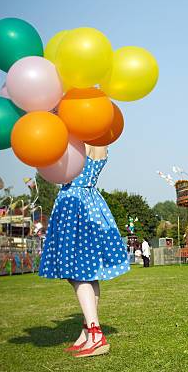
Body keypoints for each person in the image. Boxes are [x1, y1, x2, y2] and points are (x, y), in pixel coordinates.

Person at [38, 146, 129, 358]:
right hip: (92, 202)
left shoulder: (79, 140)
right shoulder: (101, 142)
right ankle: (87, 332)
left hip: (73, 204)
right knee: (89, 273)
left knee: (79, 273)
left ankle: (95, 334)